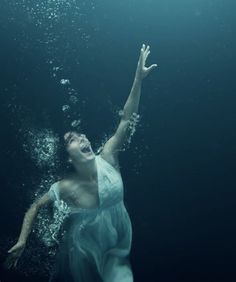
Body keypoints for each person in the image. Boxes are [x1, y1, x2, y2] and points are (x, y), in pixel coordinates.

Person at [3, 44, 158, 281]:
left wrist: (138, 79)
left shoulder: (107, 156)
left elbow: (126, 118)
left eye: (82, 135)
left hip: (119, 236)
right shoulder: (65, 187)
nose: (82, 137)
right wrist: (22, 240)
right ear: (68, 156)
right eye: (73, 139)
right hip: (84, 243)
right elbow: (35, 207)